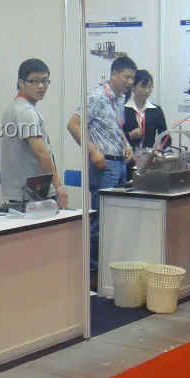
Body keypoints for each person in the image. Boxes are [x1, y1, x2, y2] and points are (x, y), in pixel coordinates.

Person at [67, 56, 136, 286]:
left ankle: (109, 268)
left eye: (133, 78)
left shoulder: (120, 98)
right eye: (127, 77)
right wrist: (92, 151)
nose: (130, 82)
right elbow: (73, 125)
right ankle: (92, 274)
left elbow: (115, 127)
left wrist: (126, 143)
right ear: (114, 74)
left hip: (120, 164)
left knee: (115, 220)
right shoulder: (97, 96)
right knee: (100, 219)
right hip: (103, 165)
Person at [0, 58, 69, 209]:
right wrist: (58, 186)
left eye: (45, 81)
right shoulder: (26, 112)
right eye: (35, 81)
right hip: (33, 192)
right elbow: (40, 152)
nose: (41, 86)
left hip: (18, 191)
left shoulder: (12, 108)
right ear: (21, 83)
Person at [124, 70, 168, 151]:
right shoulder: (124, 109)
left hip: (149, 156)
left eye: (150, 87)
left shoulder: (156, 110)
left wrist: (161, 147)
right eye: (143, 87)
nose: (147, 91)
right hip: (127, 156)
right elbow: (115, 136)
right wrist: (130, 135)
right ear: (133, 87)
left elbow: (166, 137)